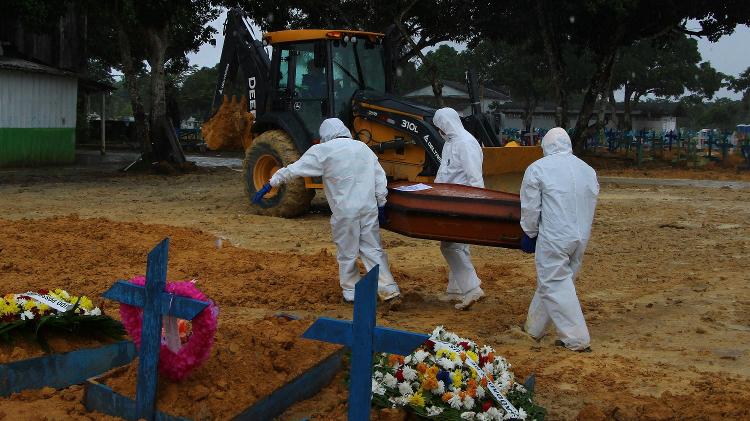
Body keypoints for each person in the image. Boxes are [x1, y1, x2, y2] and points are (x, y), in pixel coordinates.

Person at [253, 118, 400, 303]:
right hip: (368, 208)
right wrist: (381, 203)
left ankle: (352, 293)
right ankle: (389, 291)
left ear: (326, 135)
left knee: (347, 253)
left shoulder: (323, 151)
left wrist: (272, 182)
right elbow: (380, 179)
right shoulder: (363, 148)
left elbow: (295, 169)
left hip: (346, 211)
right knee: (373, 250)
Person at [519, 127, 599, 352]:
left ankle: (577, 339)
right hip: (580, 235)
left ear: (545, 146)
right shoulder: (587, 170)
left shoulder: (538, 168)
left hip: (554, 236)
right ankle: (533, 328)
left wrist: (529, 232)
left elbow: (531, 207)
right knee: (558, 284)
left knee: (554, 283)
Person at [432, 107, 485, 310]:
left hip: (463, 203)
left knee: (451, 247)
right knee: (457, 246)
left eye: (439, 127)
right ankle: (456, 290)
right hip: (448, 203)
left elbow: (475, 179)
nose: (439, 131)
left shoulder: (466, 143)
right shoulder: (450, 143)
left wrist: (476, 207)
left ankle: (472, 289)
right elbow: (444, 172)